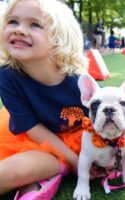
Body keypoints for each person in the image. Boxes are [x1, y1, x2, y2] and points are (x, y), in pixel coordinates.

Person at [0, 0, 90, 199]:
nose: (19, 30)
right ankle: (37, 181)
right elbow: (30, 126)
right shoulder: (6, 75)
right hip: (35, 136)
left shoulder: (78, 81)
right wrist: (74, 162)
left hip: (75, 138)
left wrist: (78, 160)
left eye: (35, 24)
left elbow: (106, 112)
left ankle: (40, 178)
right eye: (13, 22)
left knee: (9, 173)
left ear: (59, 39)